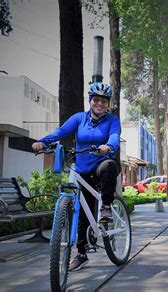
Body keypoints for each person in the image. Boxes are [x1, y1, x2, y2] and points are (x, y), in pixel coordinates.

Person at [32, 82, 121, 272]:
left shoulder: (112, 121)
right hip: (82, 169)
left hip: (100, 166)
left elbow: (114, 136)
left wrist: (109, 146)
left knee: (109, 166)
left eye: (103, 101)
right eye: (96, 100)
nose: (99, 104)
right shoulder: (79, 118)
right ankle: (81, 254)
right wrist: (42, 141)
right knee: (83, 211)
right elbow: (61, 132)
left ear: (107, 104)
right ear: (90, 101)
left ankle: (105, 207)